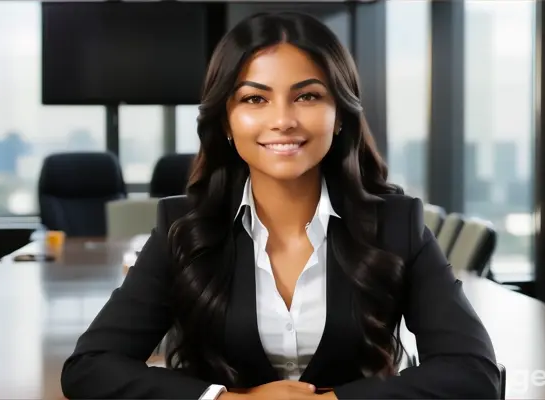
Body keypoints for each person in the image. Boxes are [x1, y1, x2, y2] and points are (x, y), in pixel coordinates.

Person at [61, 11, 500, 400]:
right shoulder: (184, 227)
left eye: (307, 96)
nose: (283, 119)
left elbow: (473, 372)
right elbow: (90, 367)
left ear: (340, 113)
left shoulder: (396, 225)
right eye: (255, 98)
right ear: (227, 121)